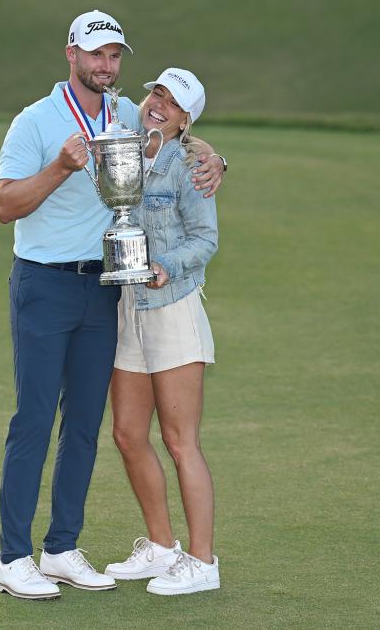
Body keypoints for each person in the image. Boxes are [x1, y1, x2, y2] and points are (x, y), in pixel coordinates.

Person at [0, 11, 226, 601]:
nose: (106, 66)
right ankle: (13, 558)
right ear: (70, 53)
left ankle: (62, 547)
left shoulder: (125, 112)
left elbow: (179, 133)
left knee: (86, 427)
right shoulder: (35, 121)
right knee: (34, 421)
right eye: (96, 54)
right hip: (44, 284)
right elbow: (4, 205)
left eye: (115, 56)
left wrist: (217, 160)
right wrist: (60, 167)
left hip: (105, 291)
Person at [102, 68, 221, 596]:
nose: (158, 105)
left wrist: (167, 264)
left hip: (172, 308)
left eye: (172, 103)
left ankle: (202, 561)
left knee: (179, 441)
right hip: (128, 309)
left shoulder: (190, 166)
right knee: (127, 433)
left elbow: (205, 239)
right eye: (157, 93)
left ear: (184, 119)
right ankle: (161, 546)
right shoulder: (130, 129)